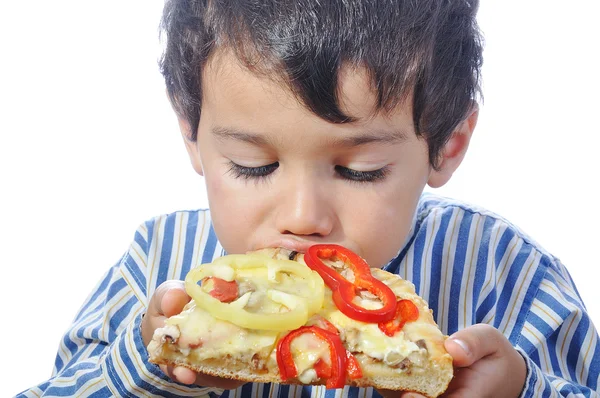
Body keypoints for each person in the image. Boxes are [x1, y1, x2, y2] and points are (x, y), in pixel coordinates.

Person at [17, 0, 599, 397]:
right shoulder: (153, 262)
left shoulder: (508, 275)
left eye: (361, 170)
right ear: (192, 135)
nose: (301, 218)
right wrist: (144, 368)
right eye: (255, 166)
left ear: (446, 145)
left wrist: (524, 387)